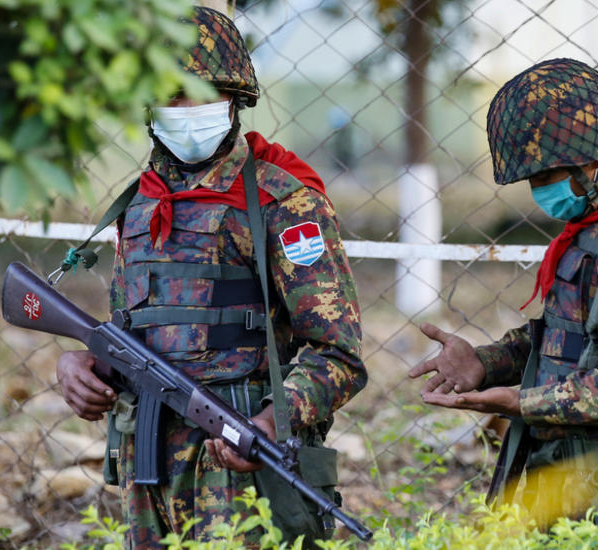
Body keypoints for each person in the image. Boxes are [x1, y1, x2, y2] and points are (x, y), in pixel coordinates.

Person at [54, 6, 366, 548]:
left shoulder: (283, 202)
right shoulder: (139, 204)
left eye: (200, 91)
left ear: (234, 98)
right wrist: (84, 364)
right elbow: (136, 328)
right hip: (145, 471)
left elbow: (338, 354)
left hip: (242, 471)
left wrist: (277, 419)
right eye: (169, 93)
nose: (184, 108)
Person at [409, 58, 598, 526]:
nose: (538, 190)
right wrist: (485, 364)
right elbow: (569, 337)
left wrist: (521, 403)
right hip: (564, 477)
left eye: (545, 176)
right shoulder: (591, 231)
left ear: (591, 160)